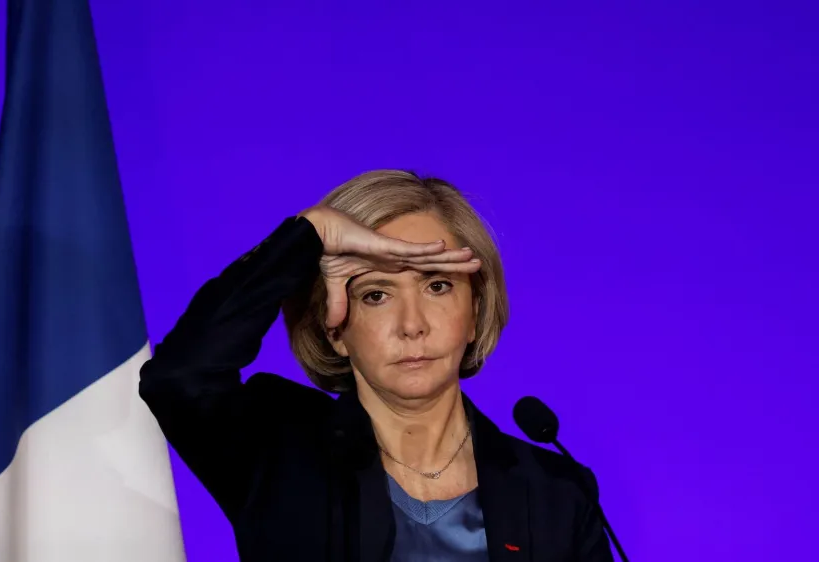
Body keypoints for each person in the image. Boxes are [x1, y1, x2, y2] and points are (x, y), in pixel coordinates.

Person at [139, 170, 613, 561]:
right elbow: (179, 376)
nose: (413, 325)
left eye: (438, 286)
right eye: (377, 294)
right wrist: (310, 236)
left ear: (475, 314)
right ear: (335, 330)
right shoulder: (278, 448)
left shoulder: (556, 493)